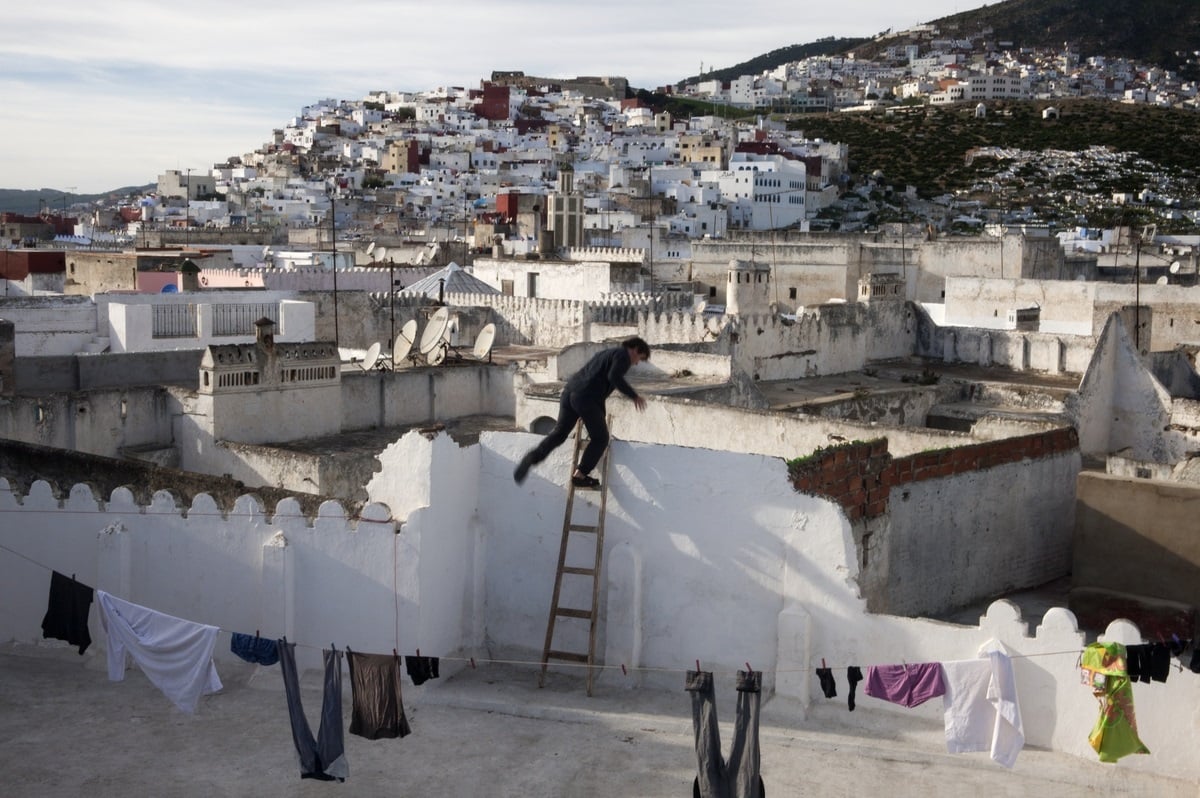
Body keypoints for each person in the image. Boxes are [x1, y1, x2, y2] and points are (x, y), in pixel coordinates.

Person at [513, 337, 650, 488]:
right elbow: (614, 377)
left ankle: (532, 457)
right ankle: (581, 474)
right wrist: (634, 396)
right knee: (601, 438)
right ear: (635, 349)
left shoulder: (606, 353)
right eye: (639, 358)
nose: (636, 363)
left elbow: (596, 379)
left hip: (569, 392)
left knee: (559, 434)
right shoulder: (623, 356)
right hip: (586, 398)